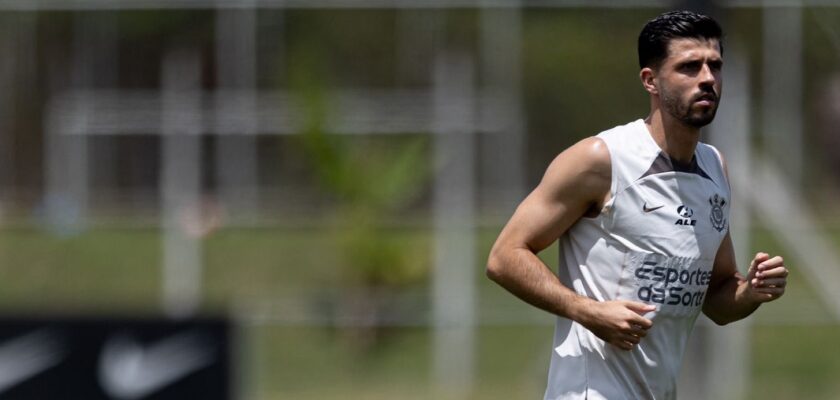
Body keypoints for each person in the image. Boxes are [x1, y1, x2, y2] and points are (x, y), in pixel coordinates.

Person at [486, 10, 788, 400]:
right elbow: (504, 257)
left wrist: (750, 292)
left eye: (715, 65)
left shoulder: (715, 167)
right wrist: (587, 311)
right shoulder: (602, 159)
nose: (708, 79)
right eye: (689, 67)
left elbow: (717, 296)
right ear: (651, 81)